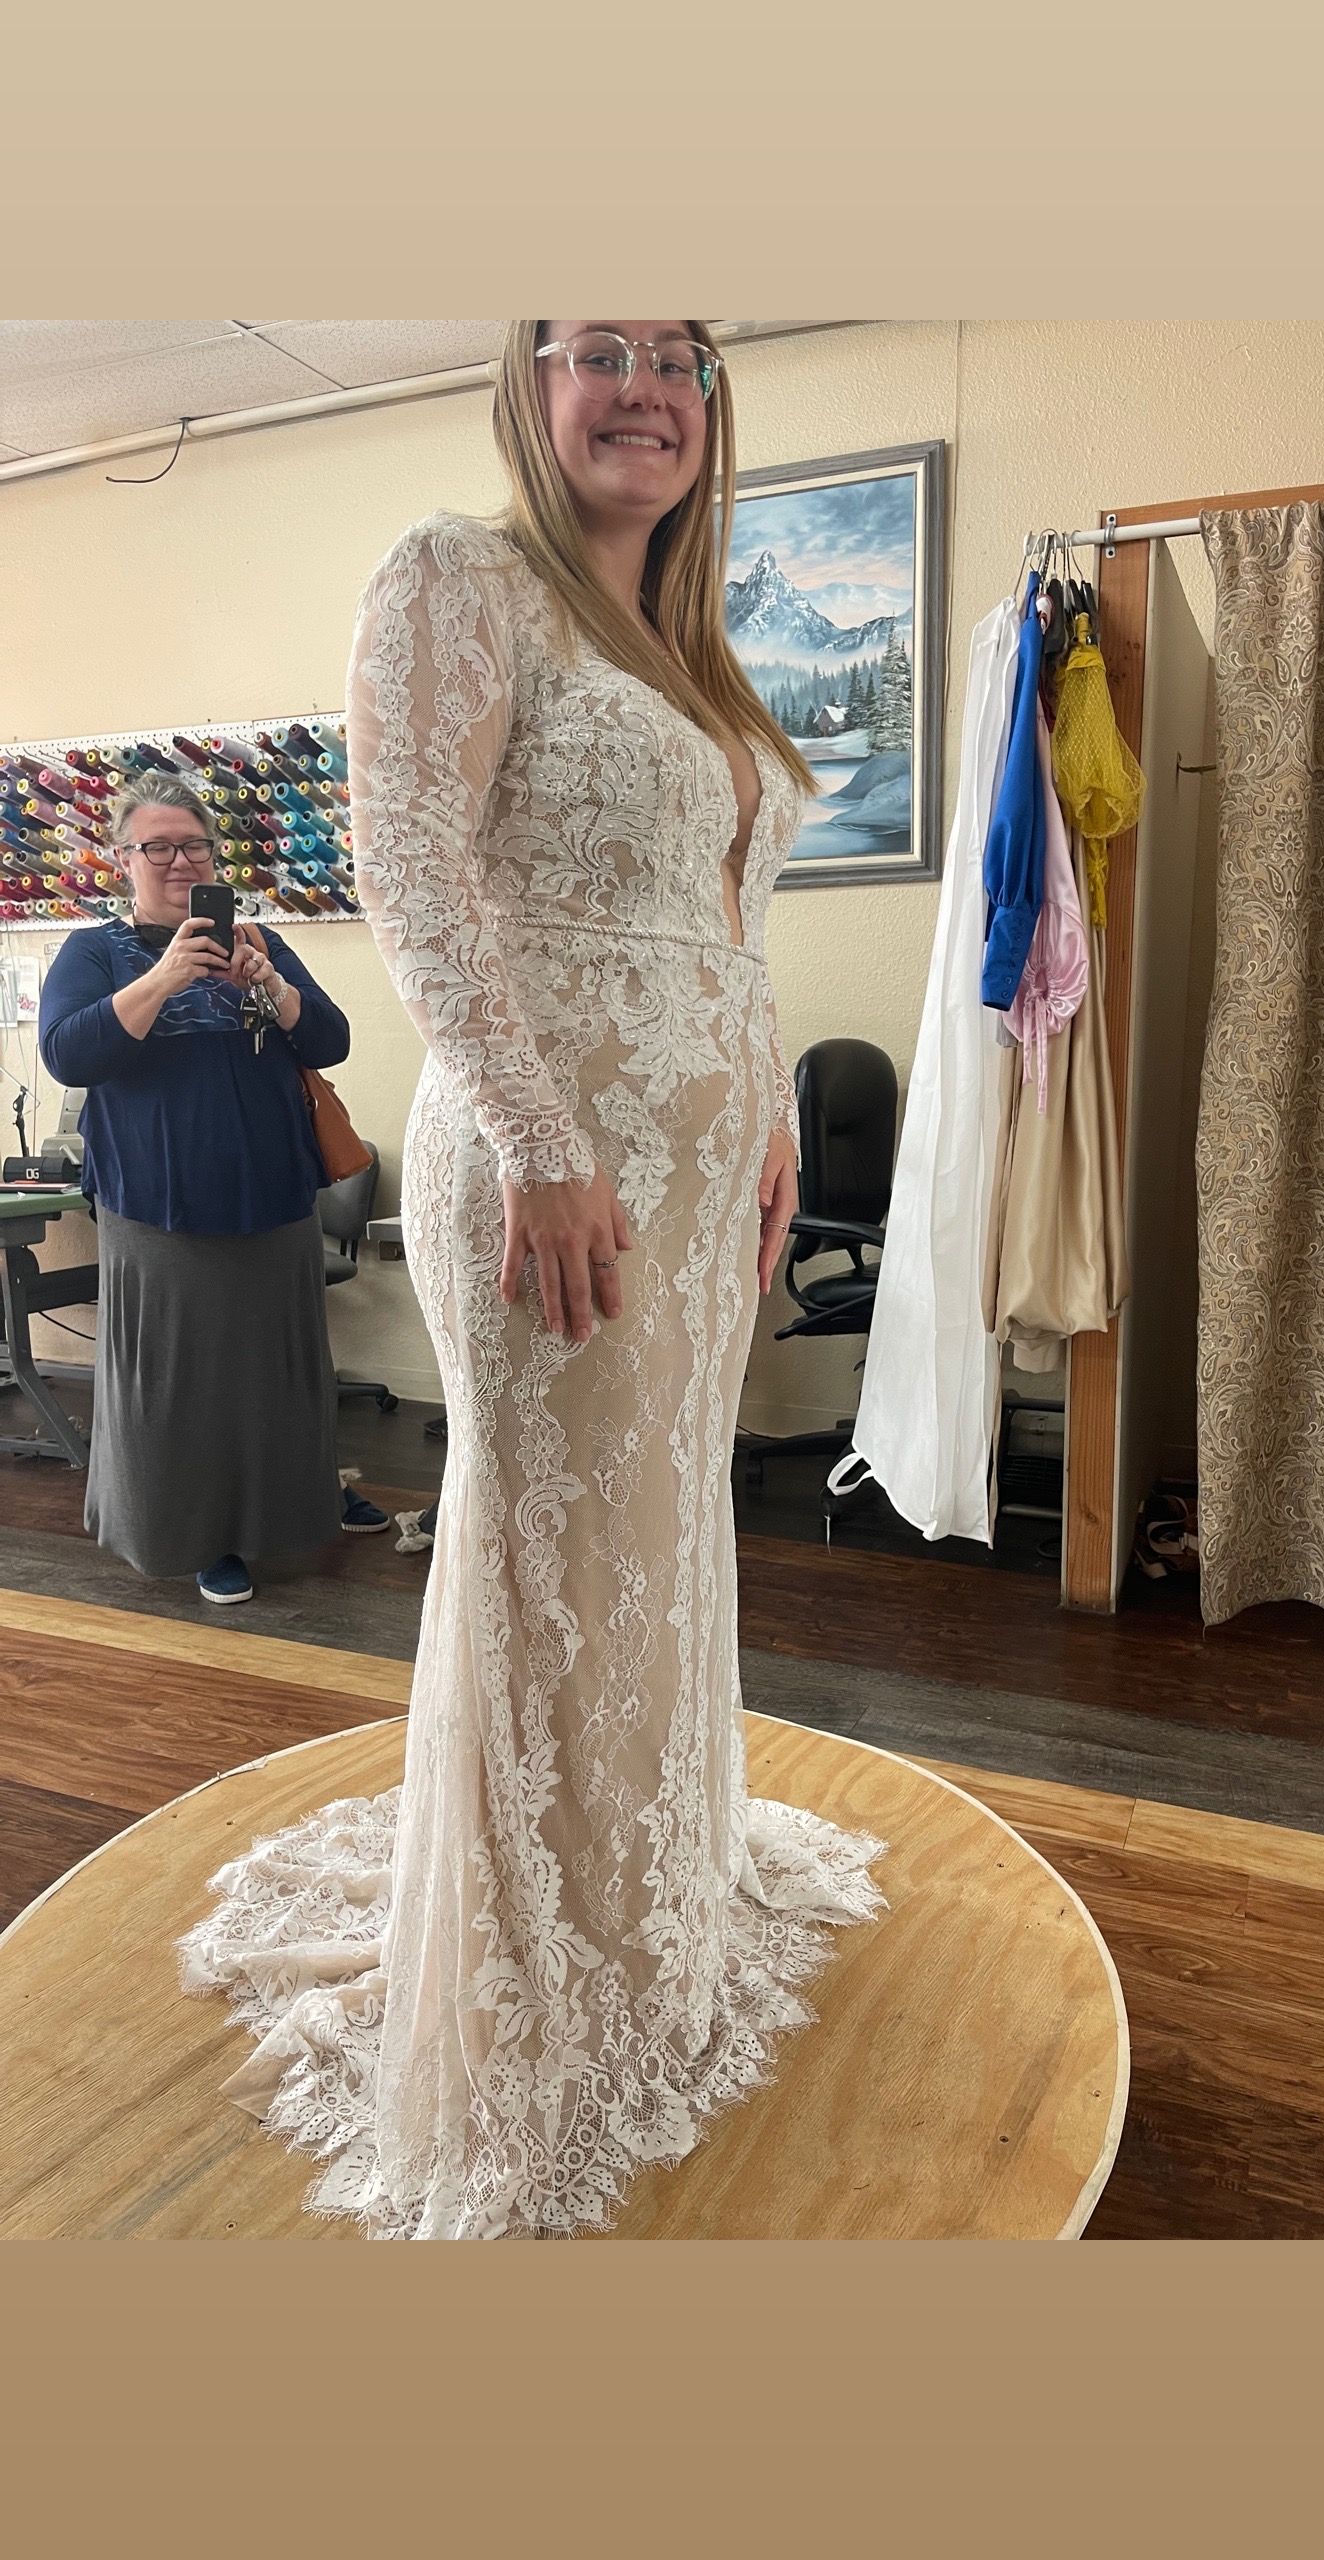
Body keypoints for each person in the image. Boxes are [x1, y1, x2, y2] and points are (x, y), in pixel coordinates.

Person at [180, 321, 885, 2240]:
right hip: (554, 1162)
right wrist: (549, 1135)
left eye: (677, 352)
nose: (640, 385)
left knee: (659, 1533)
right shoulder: (457, 574)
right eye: (598, 348)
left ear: (711, 400)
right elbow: (411, 862)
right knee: (563, 1542)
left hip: (696, 1155)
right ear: (534, 383)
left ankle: (639, 1885)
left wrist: (767, 1121)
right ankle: (533, 1965)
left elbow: (719, 926)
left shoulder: (698, 645)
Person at [38, 772, 389, 1603]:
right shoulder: (94, 951)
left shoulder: (259, 941)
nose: (176, 860)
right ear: (124, 859)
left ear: (213, 857)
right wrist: (165, 976)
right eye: (156, 846)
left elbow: (331, 1040)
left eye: (192, 845)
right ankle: (199, 1535)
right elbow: (68, 1054)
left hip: (273, 1197)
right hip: (159, 1205)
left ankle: (300, 1505)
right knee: (178, 1386)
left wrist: (269, 983)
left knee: (282, 1374)